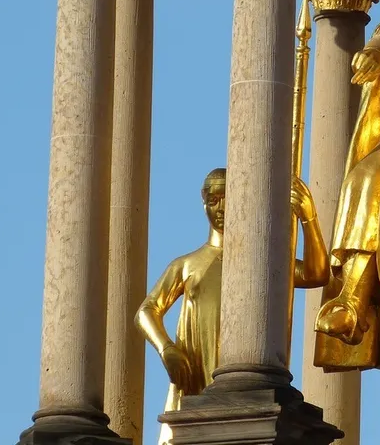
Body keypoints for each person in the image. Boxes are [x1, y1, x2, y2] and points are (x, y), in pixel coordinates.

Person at [136, 168, 328, 445]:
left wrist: (308, 218)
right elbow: (147, 310)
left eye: (228, 198)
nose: (221, 208)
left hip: (243, 376)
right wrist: (167, 349)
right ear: (203, 204)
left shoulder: (264, 260)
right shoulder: (186, 264)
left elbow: (315, 274)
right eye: (213, 200)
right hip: (197, 372)